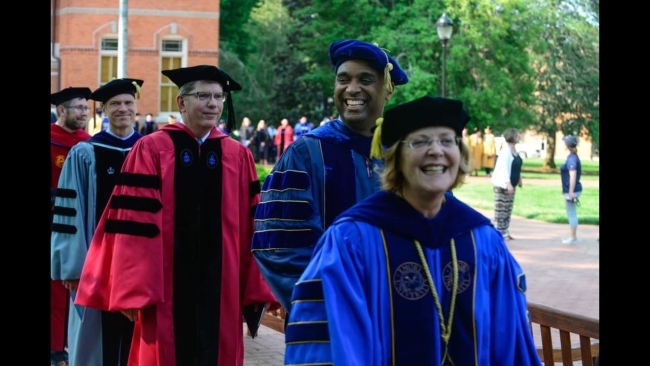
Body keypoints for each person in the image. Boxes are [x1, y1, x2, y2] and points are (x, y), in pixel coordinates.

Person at [285, 95, 542, 366]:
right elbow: (329, 342)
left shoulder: (484, 240)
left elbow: (511, 343)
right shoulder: (353, 240)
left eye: (447, 140)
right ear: (396, 157)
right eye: (420, 142)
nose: (436, 151)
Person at [74, 65, 278, 366]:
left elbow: (253, 226)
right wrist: (132, 289)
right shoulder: (151, 149)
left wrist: (256, 287)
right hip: (164, 290)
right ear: (181, 103)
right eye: (203, 96)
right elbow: (132, 227)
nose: (213, 104)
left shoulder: (238, 154)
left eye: (218, 97)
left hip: (223, 290)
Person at [251, 39, 409, 318]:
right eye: (343, 79)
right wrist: (327, 303)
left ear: (387, 89)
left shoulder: (406, 155)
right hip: (328, 318)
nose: (352, 88)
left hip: (400, 314)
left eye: (366, 79)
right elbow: (278, 244)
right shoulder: (306, 153)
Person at [51, 78, 145, 366]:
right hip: (96, 262)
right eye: (115, 104)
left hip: (140, 262)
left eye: (128, 103)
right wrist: (71, 264)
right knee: (96, 340)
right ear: (103, 110)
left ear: (136, 108)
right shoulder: (84, 153)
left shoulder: (151, 151)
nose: (122, 109)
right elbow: (70, 210)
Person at [50, 86, 93, 366]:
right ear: (61, 110)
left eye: (86, 108)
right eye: (78, 108)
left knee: (72, 287)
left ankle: (67, 346)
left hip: (77, 228)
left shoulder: (88, 144)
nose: (84, 113)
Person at [490, 127, 523, 241]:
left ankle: (505, 231)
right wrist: (508, 184)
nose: (520, 136)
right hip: (502, 185)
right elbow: (503, 169)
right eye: (518, 135)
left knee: (508, 209)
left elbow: (516, 166)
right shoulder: (505, 151)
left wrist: (519, 179)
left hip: (511, 185)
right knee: (501, 210)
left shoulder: (514, 151)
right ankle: (499, 232)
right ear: (512, 136)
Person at [560, 135, 582, 244]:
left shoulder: (572, 158)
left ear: (567, 145)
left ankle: (573, 237)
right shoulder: (572, 156)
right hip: (570, 189)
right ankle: (573, 237)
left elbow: (573, 175)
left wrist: (571, 191)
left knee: (571, 213)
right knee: (571, 212)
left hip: (573, 190)